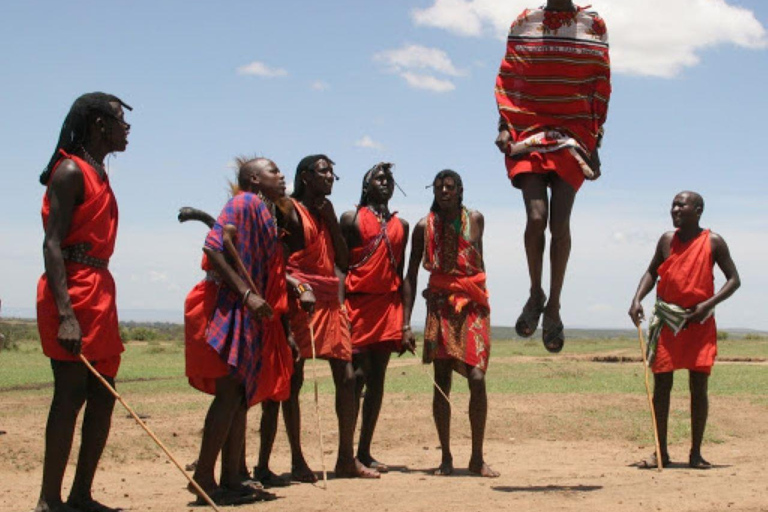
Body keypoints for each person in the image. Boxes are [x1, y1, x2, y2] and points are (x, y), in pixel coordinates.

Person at [495, 0, 611, 352]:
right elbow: (511, 79)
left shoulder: (592, 25)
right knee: (536, 218)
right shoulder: (526, 22)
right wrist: (503, 126)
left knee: (559, 224)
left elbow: (598, 86)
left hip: (573, 135)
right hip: (528, 130)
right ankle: (536, 293)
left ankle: (554, 306)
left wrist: (596, 141)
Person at [35, 92, 131, 512]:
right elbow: (52, 244)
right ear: (98, 125)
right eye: (119, 121)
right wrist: (66, 315)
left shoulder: (99, 174)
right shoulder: (71, 171)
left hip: (99, 288)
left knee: (105, 394)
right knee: (69, 393)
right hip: (71, 289)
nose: (126, 129)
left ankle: (80, 495)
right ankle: (48, 500)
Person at [187, 158, 297, 505]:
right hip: (228, 304)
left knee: (238, 395)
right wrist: (248, 294)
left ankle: (232, 477)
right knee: (230, 392)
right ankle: (204, 478)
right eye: (274, 171)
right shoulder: (244, 202)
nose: (281, 177)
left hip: (247, 309)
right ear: (254, 178)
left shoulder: (263, 211)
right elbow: (213, 247)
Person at [629, 191, 740, 469]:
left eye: (681, 205)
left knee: (698, 387)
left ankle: (696, 453)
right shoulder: (667, 240)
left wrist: (707, 305)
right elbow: (652, 272)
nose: (675, 209)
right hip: (668, 321)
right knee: (662, 386)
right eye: (673, 205)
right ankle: (660, 452)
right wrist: (636, 298)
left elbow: (734, 280)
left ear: (698, 210)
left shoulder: (713, 242)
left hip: (699, 322)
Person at [285, 154, 379, 478]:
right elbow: (277, 261)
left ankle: (345, 458)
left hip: (329, 300)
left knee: (348, 377)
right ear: (305, 176)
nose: (330, 177)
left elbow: (342, 260)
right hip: (300, 300)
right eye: (323, 171)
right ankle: (297, 460)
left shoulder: (327, 214)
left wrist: (331, 220)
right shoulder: (288, 211)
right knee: (293, 379)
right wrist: (297, 289)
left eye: (332, 173)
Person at [402, 170, 499, 478]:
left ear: (460, 190)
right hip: (441, 305)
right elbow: (412, 275)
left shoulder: (476, 219)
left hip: (471, 305)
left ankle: (477, 457)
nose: (444, 191)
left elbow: (479, 263)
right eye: (439, 187)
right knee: (441, 380)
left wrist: (478, 293)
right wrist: (405, 323)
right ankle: (445, 457)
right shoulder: (422, 227)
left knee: (477, 378)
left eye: (450, 187)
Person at [340, 162, 412, 473]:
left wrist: (406, 321)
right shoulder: (351, 218)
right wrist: (340, 307)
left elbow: (401, 272)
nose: (385, 182)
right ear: (366, 185)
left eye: (389, 179)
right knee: (355, 378)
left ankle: (365, 451)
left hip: (387, 307)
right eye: (379, 178)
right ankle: (347, 454)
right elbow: (340, 266)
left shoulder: (402, 225)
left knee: (378, 380)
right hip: (356, 305)